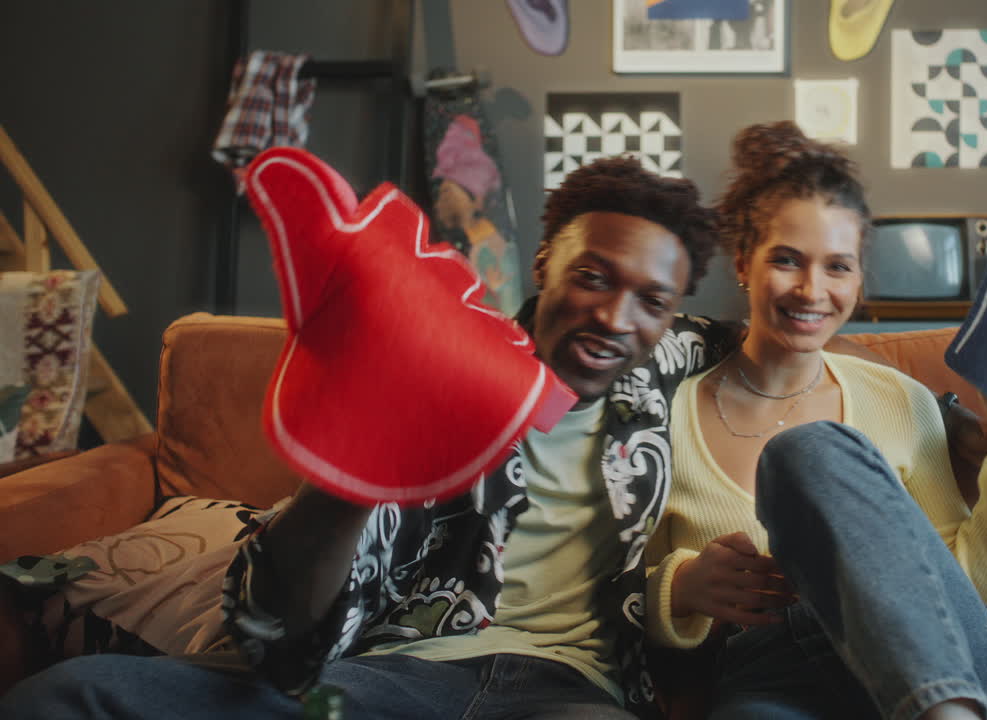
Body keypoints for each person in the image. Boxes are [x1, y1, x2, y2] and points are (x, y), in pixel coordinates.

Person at [0, 156, 734, 719]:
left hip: (570, 690)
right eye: (594, 278)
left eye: (651, 301)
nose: (615, 316)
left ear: (672, 319)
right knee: (68, 698)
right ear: (544, 266)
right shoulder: (434, 368)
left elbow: (784, 325)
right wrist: (349, 479)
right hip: (396, 674)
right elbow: (279, 640)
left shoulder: (674, 363)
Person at [643, 122, 987, 720]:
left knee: (807, 451)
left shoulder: (901, 400)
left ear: (859, 280)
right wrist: (680, 590)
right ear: (745, 263)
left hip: (949, 678)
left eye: (838, 267)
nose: (812, 290)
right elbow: (627, 603)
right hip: (771, 676)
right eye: (788, 260)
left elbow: (960, 599)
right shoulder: (669, 423)